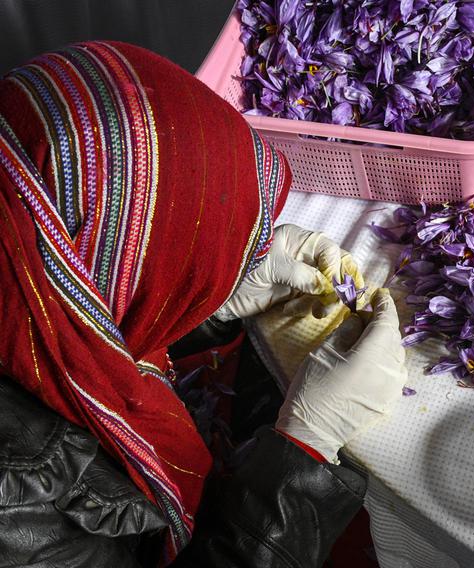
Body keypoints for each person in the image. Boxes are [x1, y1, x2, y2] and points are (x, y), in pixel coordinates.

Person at [0, 40, 406, 567]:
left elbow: (91, 340)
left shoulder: (26, 277)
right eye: (187, 268)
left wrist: (209, 307)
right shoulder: (17, 500)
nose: (238, 259)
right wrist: (306, 447)